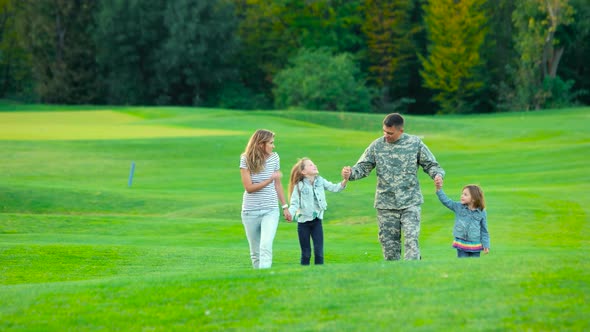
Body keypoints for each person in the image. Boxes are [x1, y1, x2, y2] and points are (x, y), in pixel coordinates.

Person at [342, 113, 444, 260]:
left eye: (390, 133)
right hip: (386, 204)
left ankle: (414, 274)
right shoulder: (377, 145)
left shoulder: (415, 143)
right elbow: (363, 168)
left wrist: (437, 175)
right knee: (389, 248)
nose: (386, 135)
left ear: (400, 131)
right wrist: (350, 173)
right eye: (384, 131)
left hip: (410, 202)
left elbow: (431, 165)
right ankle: (395, 278)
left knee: (411, 240)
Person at [240, 129, 292, 269]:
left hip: (270, 209)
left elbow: (278, 184)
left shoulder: (275, 157)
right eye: (270, 143)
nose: (273, 146)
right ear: (260, 144)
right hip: (250, 211)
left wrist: (285, 207)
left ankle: (266, 276)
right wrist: (269, 180)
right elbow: (249, 188)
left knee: (265, 245)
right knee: (255, 252)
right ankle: (259, 279)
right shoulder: (245, 159)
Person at [287, 158, 349, 265]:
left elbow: (335, 188)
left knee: (319, 252)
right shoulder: (299, 186)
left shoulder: (320, 181)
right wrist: (290, 214)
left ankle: (319, 276)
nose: (314, 165)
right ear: (303, 172)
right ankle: (304, 276)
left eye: (314, 164)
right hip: (303, 224)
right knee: (306, 253)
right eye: (310, 165)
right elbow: (294, 204)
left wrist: (345, 180)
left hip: (317, 222)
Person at [435, 181, 490, 258]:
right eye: (462, 194)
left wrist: (486, 244)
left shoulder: (481, 212)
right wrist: (439, 190)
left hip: (475, 245)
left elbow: (484, 230)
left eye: (465, 195)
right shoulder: (459, 207)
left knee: (473, 266)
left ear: (474, 198)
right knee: (463, 264)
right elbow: (447, 201)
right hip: (462, 244)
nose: (462, 196)